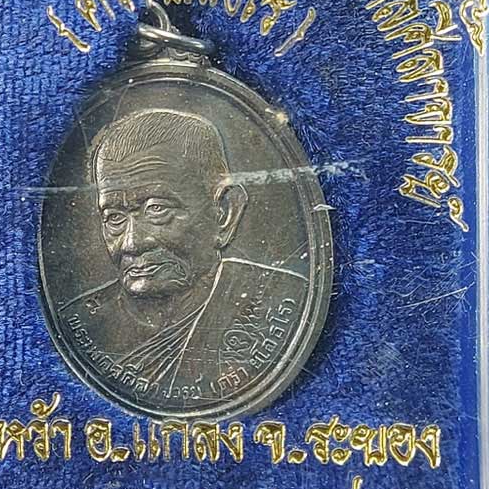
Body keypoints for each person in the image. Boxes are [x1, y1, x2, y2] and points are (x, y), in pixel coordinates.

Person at [58, 108, 308, 402]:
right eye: (114, 217)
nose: (131, 243)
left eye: (157, 210)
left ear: (225, 213)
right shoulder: (84, 321)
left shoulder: (278, 296)